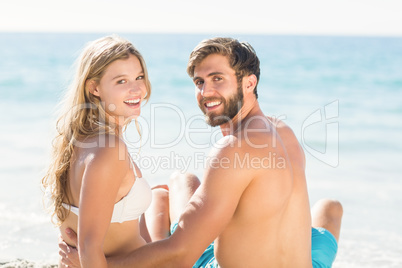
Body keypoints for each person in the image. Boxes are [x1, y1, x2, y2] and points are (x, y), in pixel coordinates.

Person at [59, 37, 343, 267]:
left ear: (249, 83)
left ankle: (163, 199)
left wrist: (102, 264)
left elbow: (180, 255)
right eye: (199, 82)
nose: (206, 91)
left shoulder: (232, 149)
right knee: (330, 208)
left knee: (172, 190)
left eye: (217, 78)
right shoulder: (283, 131)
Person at [42, 35, 170, 268]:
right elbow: (89, 248)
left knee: (164, 194)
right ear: (94, 88)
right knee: (187, 191)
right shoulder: (109, 149)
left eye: (139, 77)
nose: (137, 89)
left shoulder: (77, 139)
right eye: (121, 81)